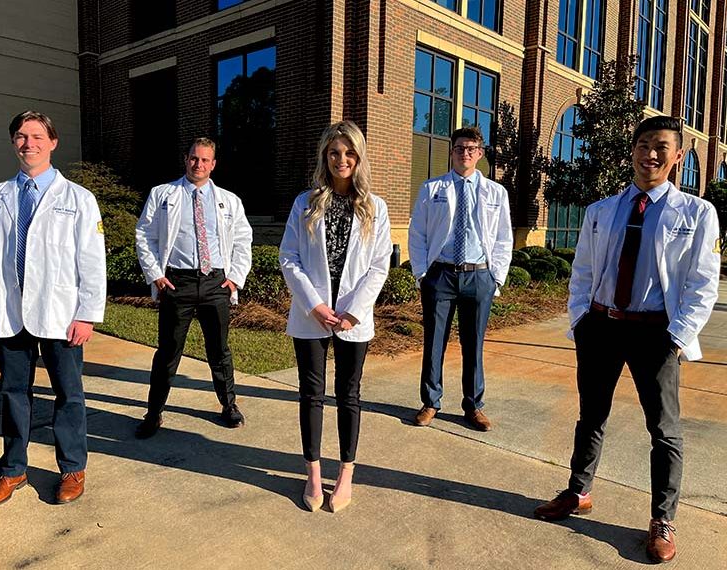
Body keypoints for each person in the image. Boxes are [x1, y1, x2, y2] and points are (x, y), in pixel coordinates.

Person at [533, 116, 721, 563]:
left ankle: (662, 518)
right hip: (601, 326)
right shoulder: (602, 210)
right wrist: (581, 320)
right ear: (632, 150)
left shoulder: (697, 213)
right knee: (591, 416)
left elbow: (703, 284)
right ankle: (578, 491)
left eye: (660, 147)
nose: (649, 154)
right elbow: (582, 271)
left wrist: (677, 336)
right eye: (642, 145)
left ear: (678, 156)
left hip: (657, 332)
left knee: (664, 430)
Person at [0, 110, 106, 506]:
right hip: (8, 311)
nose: (29, 144)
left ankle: (72, 468)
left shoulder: (78, 198)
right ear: (14, 142)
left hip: (60, 313)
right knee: (13, 393)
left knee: (69, 393)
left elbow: (92, 260)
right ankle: (13, 470)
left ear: (53, 142)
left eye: (37, 136)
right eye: (22, 136)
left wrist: (87, 314)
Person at [279, 121, 392, 513]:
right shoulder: (305, 203)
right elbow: (289, 257)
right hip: (311, 314)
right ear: (324, 157)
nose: (341, 160)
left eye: (348, 153)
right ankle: (312, 472)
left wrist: (354, 312)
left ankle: (345, 474)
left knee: (349, 394)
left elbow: (379, 266)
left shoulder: (375, 207)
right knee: (311, 393)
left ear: (358, 157)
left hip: (351, 317)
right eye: (333, 153)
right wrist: (313, 304)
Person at [134, 137, 252, 437]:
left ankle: (229, 405)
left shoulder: (229, 200)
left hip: (216, 283)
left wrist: (235, 278)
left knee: (219, 350)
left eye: (204, 160)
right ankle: (154, 413)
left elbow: (243, 240)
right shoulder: (163, 194)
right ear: (186, 159)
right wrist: (156, 275)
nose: (198, 164)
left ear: (213, 164)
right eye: (194, 158)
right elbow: (144, 235)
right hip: (178, 283)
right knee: (168, 351)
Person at [408, 126, 513, 431]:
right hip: (440, 274)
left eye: (470, 149)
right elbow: (418, 233)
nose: (464, 153)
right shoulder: (432, 188)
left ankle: (474, 406)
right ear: (451, 152)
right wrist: (422, 274)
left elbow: (504, 238)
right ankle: (431, 402)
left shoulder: (496, 192)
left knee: (474, 344)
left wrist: (496, 278)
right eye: (459, 148)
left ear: (480, 153)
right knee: (434, 342)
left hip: (478, 276)